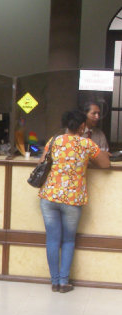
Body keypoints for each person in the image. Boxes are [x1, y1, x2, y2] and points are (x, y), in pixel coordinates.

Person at [39, 110, 110, 292]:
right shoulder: (87, 144)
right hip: (72, 198)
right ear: (81, 126)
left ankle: (54, 282)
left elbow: (40, 163)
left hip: (49, 196)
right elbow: (106, 164)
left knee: (52, 240)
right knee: (69, 240)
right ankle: (64, 282)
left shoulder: (54, 141)